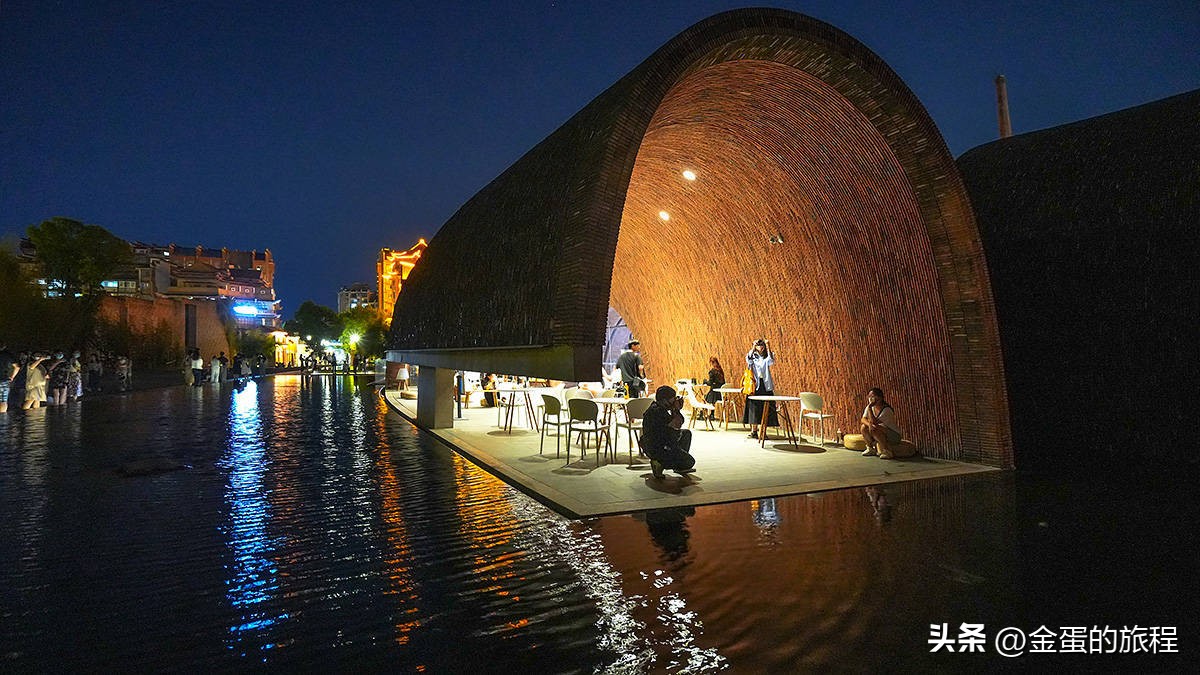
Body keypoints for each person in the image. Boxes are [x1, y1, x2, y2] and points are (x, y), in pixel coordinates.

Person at [639, 385, 697, 478]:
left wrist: (675, 410)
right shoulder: (658, 412)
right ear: (665, 400)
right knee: (690, 462)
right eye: (672, 399)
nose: (674, 401)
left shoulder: (657, 407)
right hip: (658, 448)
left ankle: (677, 465)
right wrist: (676, 409)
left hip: (658, 443)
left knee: (686, 433)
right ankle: (659, 463)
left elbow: (678, 425)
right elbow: (676, 425)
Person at [743, 338, 778, 439]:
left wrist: (768, 346)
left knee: (765, 408)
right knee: (754, 408)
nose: (761, 347)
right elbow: (748, 360)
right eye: (759, 345)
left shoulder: (767, 356)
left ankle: (763, 432)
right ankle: (754, 431)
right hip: (755, 385)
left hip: (765, 385)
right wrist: (753, 348)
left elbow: (771, 361)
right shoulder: (752, 356)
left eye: (762, 345)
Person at [860, 387, 902, 459]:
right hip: (878, 432)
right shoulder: (869, 407)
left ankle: (887, 451)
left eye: (872, 396)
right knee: (864, 427)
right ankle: (870, 448)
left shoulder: (886, 410)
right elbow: (863, 419)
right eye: (869, 396)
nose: (870, 398)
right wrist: (868, 424)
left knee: (875, 428)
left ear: (879, 398)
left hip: (893, 435)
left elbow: (874, 422)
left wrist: (870, 408)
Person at [700, 356, 725, 421]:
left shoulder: (712, 371)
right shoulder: (721, 370)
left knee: (703, 398)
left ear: (711, 363)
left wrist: (705, 381)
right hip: (721, 394)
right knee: (711, 400)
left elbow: (710, 383)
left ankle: (702, 414)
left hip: (714, 392)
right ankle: (711, 414)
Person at [0, 341, 16, 414]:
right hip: (4, 379)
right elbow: (17, 366)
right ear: (4, 346)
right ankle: (2, 418)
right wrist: (12, 376)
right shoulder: (8, 355)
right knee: (3, 400)